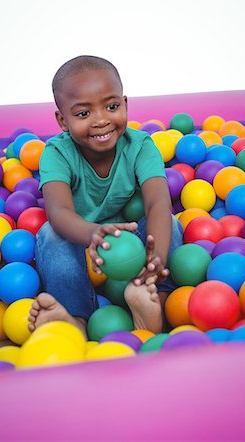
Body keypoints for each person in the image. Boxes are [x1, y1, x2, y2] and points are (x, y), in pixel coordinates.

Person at [28, 55, 183, 339]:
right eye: (83, 114)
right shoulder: (56, 153)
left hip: (133, 244)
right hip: (81, 240)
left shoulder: (141, 146)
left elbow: (157, 202)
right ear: (63, 120)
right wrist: (93, 233)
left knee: (169, 222)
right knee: (51, 234)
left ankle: (154, 302)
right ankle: (76, 319)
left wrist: (155, 259)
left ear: (125, 104)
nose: (101, 120)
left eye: (111, 107)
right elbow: (59, 212)